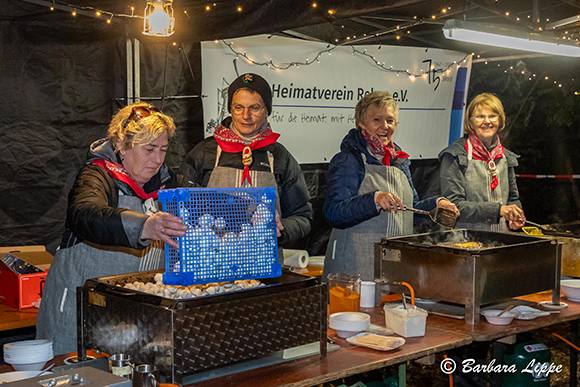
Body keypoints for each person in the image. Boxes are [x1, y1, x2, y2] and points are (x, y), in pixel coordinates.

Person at [36, 102, 190, 355]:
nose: (158, 159)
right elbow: (85, 214)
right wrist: (144, 226)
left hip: (132, 319)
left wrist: (249, 211)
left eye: (163, 149)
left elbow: (208, 205)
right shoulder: (96, 176)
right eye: (149, 149)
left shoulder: (168, 184)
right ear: (122, 143)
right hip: (80, 315)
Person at [323, 91, 458, 281]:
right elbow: (333, 212)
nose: (384, 126)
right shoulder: (348, 160)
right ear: (361, 122)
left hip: (395, 271)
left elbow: (409, 212)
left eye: (390, 120)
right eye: (376, 119)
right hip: (354, 271)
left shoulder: (399, 161)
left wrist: (436, 204)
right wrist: (374, 199)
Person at [179, 73, 312, 248]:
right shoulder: (205, 152)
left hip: (263, 261)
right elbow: (180, 203)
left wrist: (280, 229)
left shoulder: (279, 156)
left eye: (254, 108)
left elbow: (303, 216)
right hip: (212, 259)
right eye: (238, 107)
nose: (245, 116)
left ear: (267, 110)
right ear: (230, 109)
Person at [439, 93, 526, 231]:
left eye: (492, 116)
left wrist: (516, 216)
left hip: (501, 238)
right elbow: (454, 205)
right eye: (480, 116)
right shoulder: (455, 155)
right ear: (470, 121)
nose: (487, 121)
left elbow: (513, 199)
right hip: (465, 239)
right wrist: (498, 210)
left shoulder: (506, 156)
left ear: (500, 119)